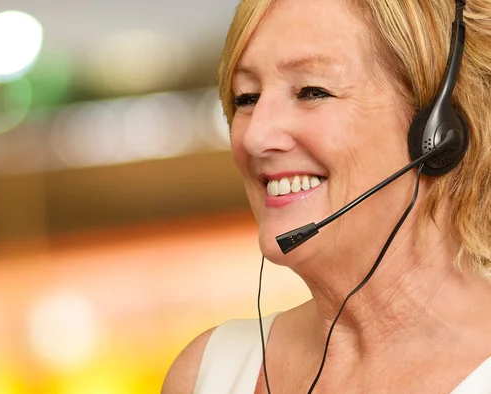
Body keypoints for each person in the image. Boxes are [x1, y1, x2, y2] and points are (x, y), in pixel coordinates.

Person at [163, 0, 491, 393]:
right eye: (246, 98)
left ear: (439, 133)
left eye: (312, 91)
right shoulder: (209, 373)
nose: (255, 136)